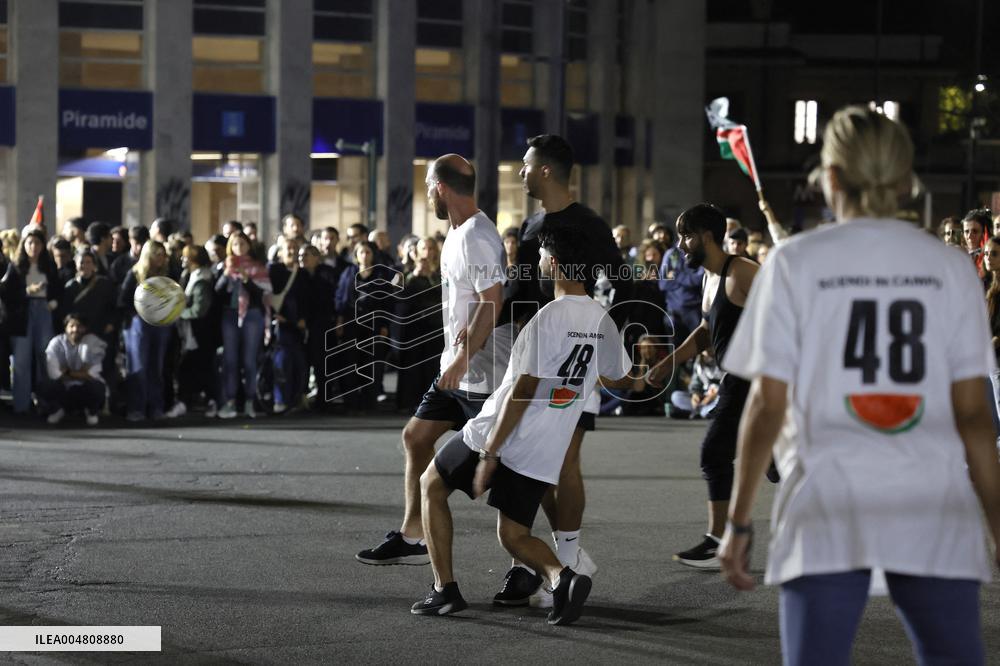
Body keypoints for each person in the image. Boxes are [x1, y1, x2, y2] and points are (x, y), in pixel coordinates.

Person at [718, 105, 1000, 666]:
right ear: (905, 179)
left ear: (831, 178)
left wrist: (738, 520)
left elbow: (766, 405)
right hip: (930, 500)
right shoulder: (949, 268)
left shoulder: (793, 263)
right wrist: (995, 520)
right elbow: (974, 415)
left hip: (827, 499)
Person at [411, 223, 630, 625]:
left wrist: (490, 452)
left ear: (556, 264)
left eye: (543, 257)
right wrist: (651, 372)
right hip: (544, 449)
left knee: (431, 485)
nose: (539, 264)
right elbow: (619, 377)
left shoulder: (549, 317)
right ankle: (562, 578)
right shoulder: (602, 320)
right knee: (513, 536)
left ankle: (444, 591)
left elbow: (522, 390)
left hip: (499, 432)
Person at [493, 134, 632, 608]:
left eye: (526, 164)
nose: (520, 172)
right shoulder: (531, 225)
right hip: (533, 354)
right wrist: (488, 328)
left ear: (546, 170)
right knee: (526, 457)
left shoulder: (590, 224)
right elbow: (520, 288)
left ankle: (568, 560)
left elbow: (625, 282)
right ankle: (528, 564)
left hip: (574, 355)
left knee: (564, 461)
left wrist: (620, 337)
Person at [356, 154, 511, 566]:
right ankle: (413, 536)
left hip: (482, 376)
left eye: (428, 185)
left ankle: (544, 559)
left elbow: (492, 301)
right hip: (455, 368)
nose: (426, 193)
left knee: (510, 472)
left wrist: (463, 359)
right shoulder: (456, 233)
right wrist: (454, 361)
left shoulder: (477, 234)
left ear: (441, 187)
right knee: (415, 437)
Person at [647, 202, 766, 568]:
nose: (680, 245)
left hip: (755, 381)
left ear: (706, 236)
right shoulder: (708, 278)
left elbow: (789, 315)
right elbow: (704, 331)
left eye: (686, 236)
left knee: (715, 453)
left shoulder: (744, 272)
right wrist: (669, 361)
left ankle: (721, 541)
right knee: (778, 466)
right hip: (735, 379)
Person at [216, 231, 271, 419]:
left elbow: (261, 294)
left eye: (242, 244)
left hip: (252, 315)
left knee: (249, 360)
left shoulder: (257, 267)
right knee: (230, 360)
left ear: (249, 246)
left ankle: (249, 401)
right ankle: (230, 401)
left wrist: (246, 278)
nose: (239, 248)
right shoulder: (225, 266)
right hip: (230, 316)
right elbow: (217, 292)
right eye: (235, 244)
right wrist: (226, 275)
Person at [119, 240, 172, 421]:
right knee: (138, 366)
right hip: (138, 324)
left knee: (156, 367)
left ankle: (155, 407)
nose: (161, 258)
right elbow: (123, 300)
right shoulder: (134, 274)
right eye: (157, 254)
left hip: (160, 324)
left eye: (163, 255)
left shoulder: (166, 275)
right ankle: (136, 408)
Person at [10, 230, 61, 415]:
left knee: (45, 356)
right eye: (30, 243)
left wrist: (53, 303)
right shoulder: (16, 266)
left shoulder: (48, 265)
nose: (33, 247)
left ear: (42, 246)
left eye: (37, 243)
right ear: (23, 245)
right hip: (23, 312)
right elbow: (8, 292)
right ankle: (21, 405)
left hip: (44, 309)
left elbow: (57, 287)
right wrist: (27, 291)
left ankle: (45, 401)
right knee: (21, 359)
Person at [39, 313, 106, 425]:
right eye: (72, 326)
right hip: (64, 389)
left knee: (97, 387)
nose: (75, 329)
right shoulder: (56, 343)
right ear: (65, 327)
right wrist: (81, 373)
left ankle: (91, 412)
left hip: (85, 388)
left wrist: (67, 371)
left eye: (79, 326)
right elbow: (54, 374)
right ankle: (57, 410)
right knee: (45, 386)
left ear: (85, 328)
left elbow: (92, 375)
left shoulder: (93, 342)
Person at [269, 236, 309, 414]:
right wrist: (276, 315)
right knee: (282, 361)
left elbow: (306, 298)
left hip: (297, 325)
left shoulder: (303, 274)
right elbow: (267, 294)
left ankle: (295, 399)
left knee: (299, 363)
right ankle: (280, 399)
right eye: (288, 248)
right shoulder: (273, 270)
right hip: (279, 323)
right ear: (280, 252)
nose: (292, 251)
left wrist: (303, 318)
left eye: (295, 248)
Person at [176, 244, 217, 417]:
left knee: (199, 368)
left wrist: (179, 313)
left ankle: (209, 400)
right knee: (194, 368)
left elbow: (199, 310)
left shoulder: (202, 280)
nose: (182, 259)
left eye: (185, 257)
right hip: (194, 332)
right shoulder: (190, 276)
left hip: (200, 332)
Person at [297, 244, 340, 409]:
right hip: (302, 324)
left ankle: (323, 399)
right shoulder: (298, 274)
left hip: (322, 324)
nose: (302, 259)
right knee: (304, 362)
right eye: (301, 256)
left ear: (316, 257)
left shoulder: (327, 274)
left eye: (306, 255)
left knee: (322, 363)